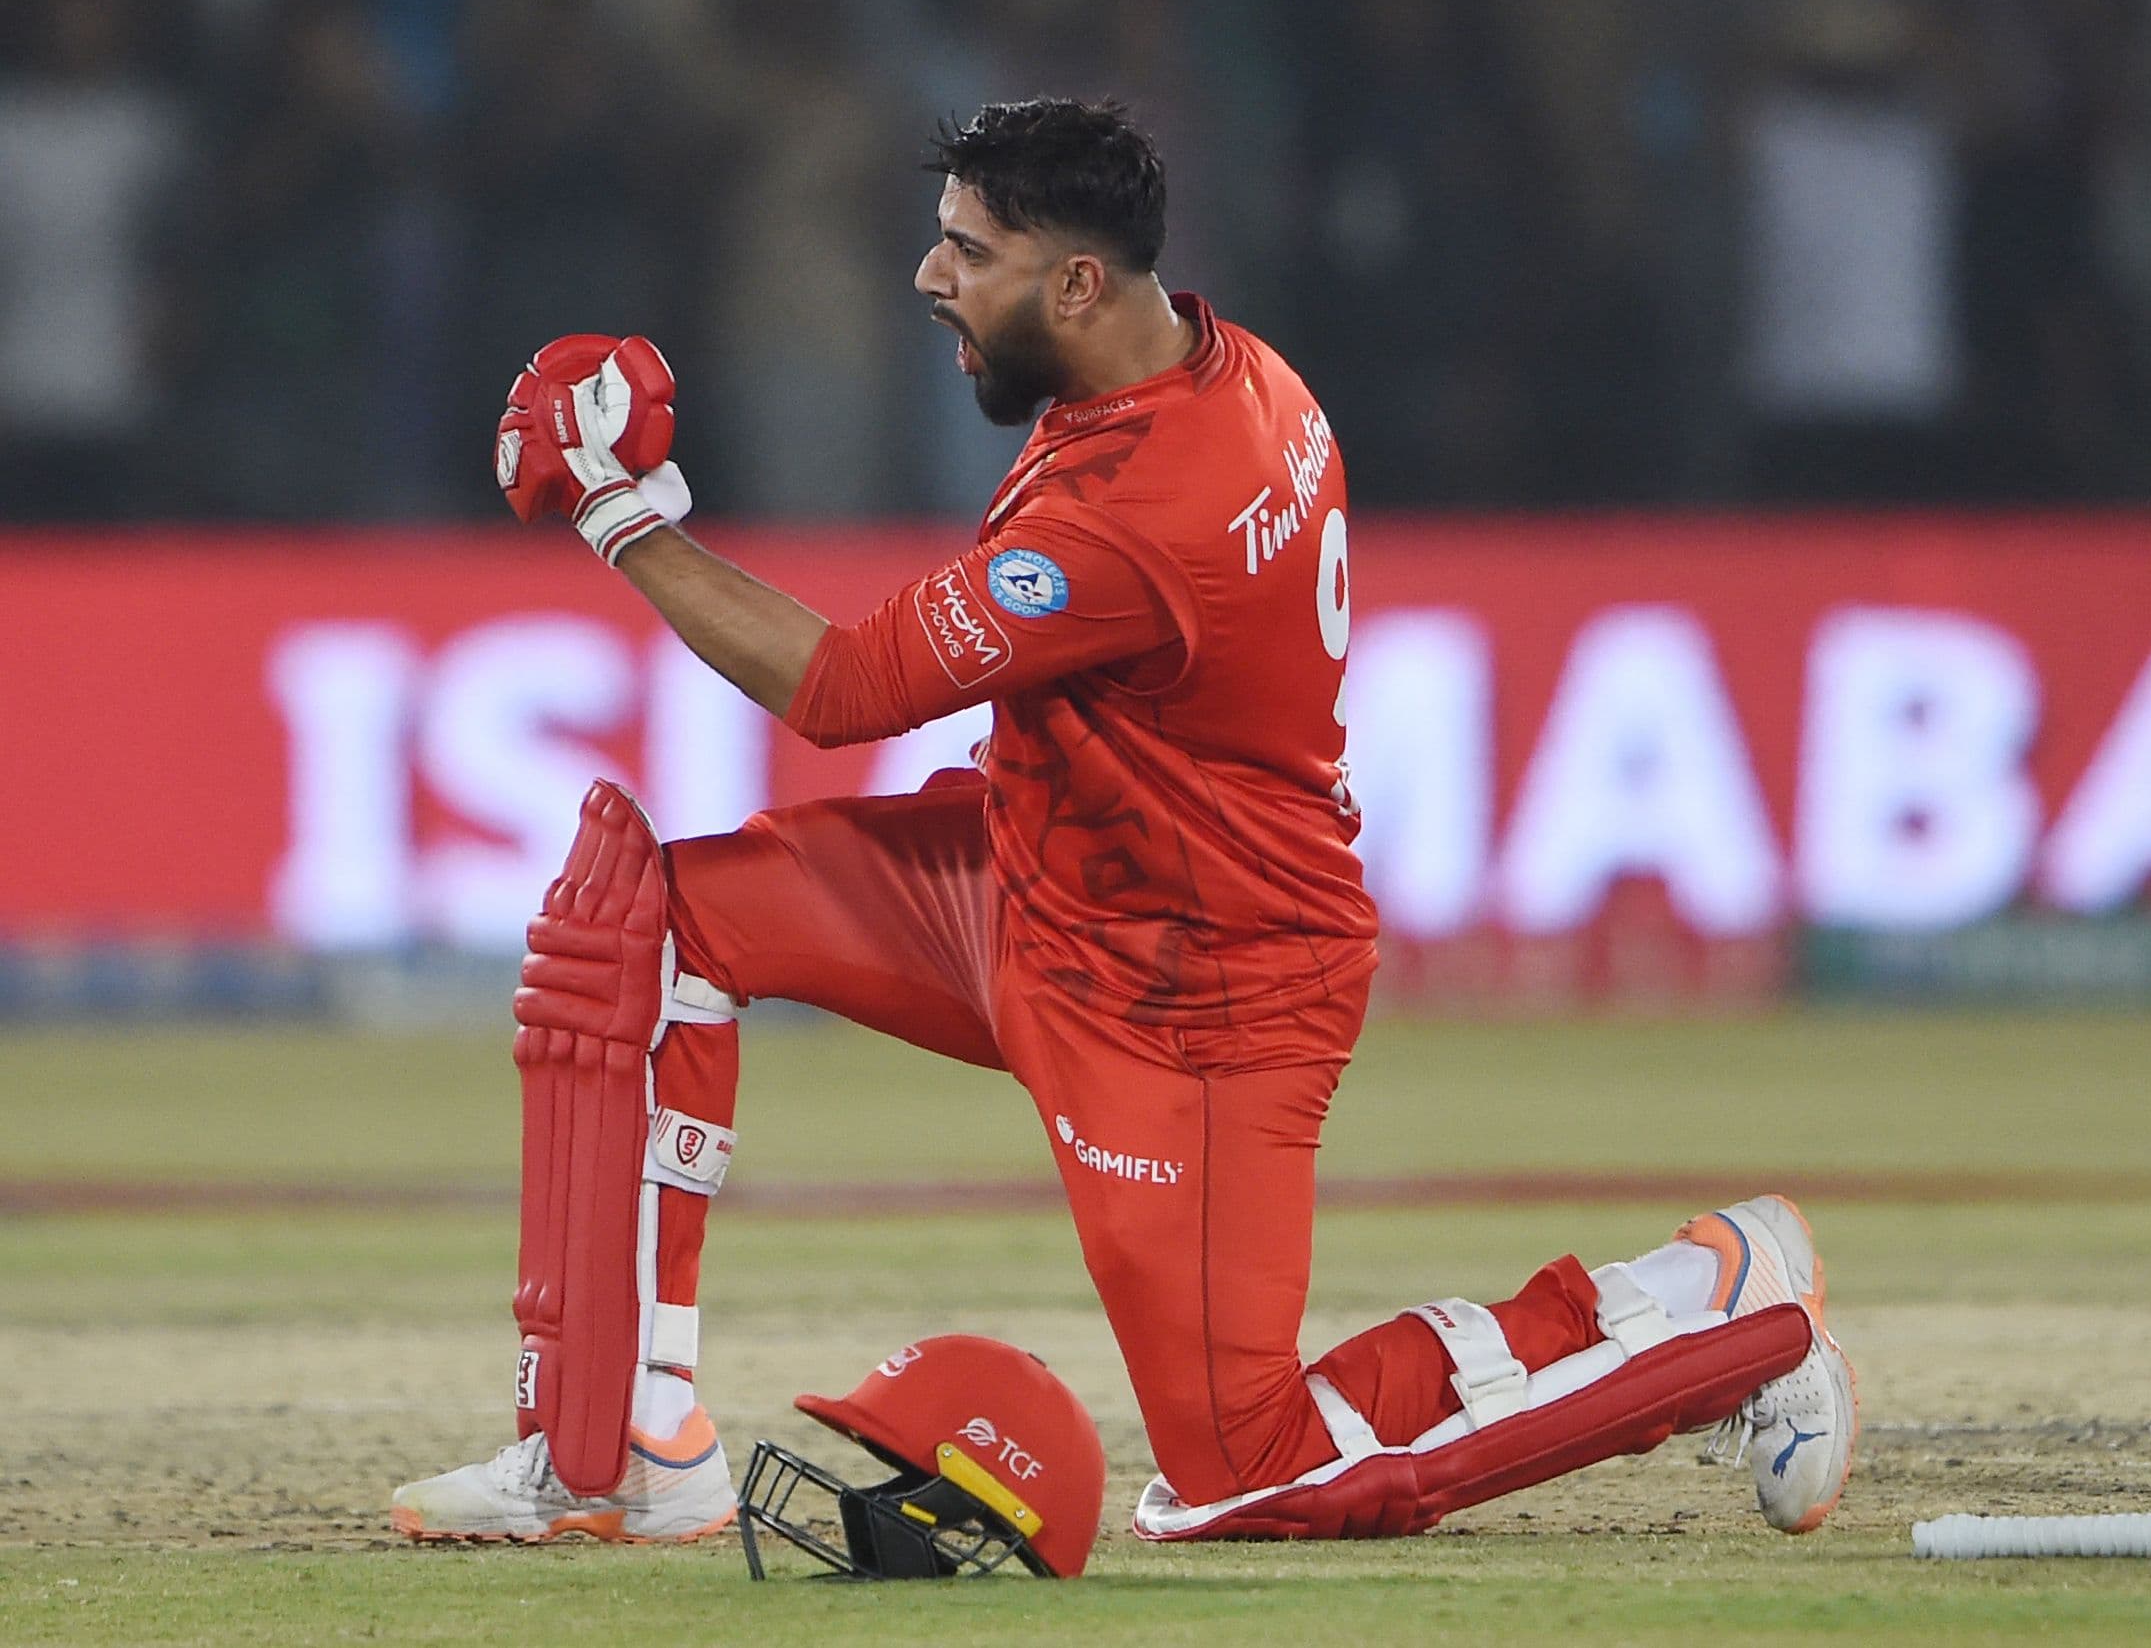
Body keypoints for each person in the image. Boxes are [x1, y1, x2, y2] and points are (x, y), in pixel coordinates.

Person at [389, 99, 1855, 1549]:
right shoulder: (1220, 362)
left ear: (1077, 282)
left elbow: (840, 691)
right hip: (1039, 882)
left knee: (1250, 1472)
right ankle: (625, 1445)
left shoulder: (1140, 510)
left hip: (1192, 995)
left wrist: (621, 511)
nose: (928, 277)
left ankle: (1719, 1307)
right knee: (652, 921)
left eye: (968, 250)